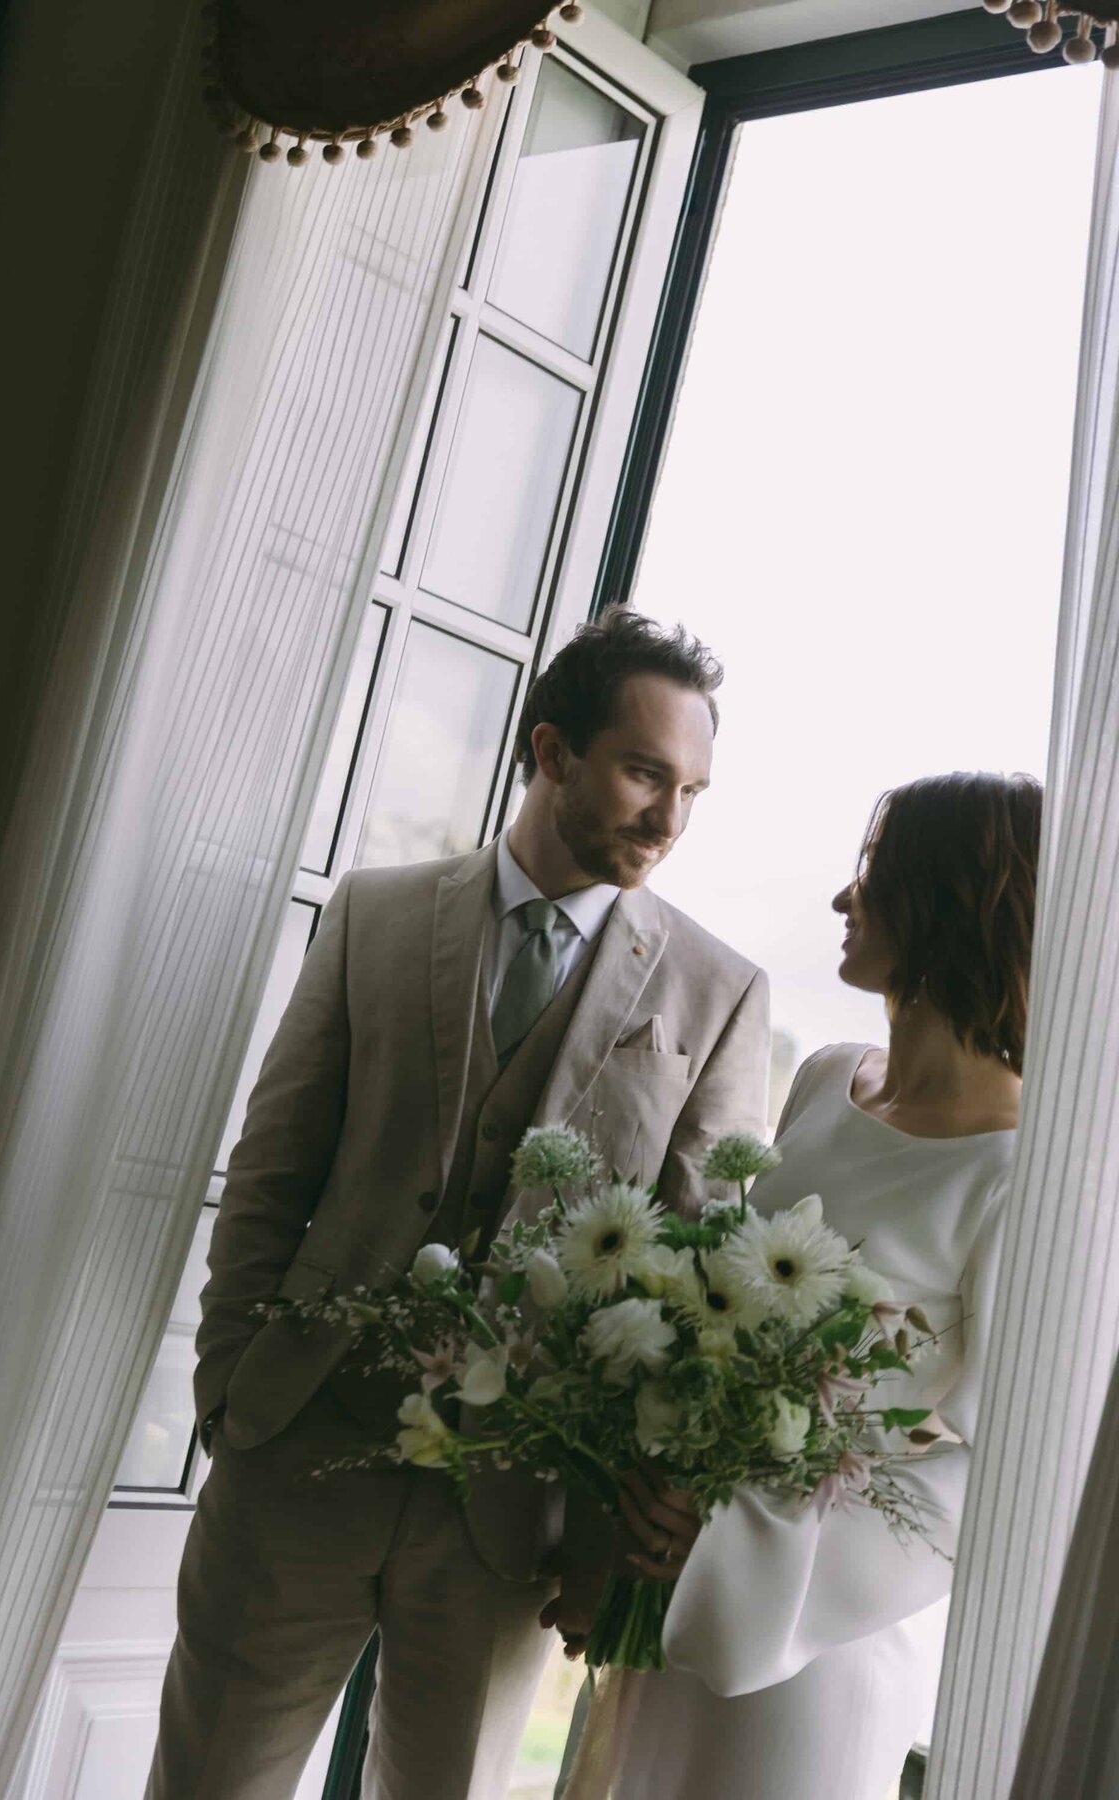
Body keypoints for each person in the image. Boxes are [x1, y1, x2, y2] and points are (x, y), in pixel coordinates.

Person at [145, 607, 771, 1800]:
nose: (669, 818)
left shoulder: (717, 992)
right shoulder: (377, 917)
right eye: (645, 773)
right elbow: (273, 1172)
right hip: (300, 1457)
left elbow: (695, 1296)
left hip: (510, 1516)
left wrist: (603, 1541)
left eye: (693, 789)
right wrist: (232, 1389)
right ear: (551, 751)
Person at [607, 770, 1041, 1800]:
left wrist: (734, 1540)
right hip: (666, 1593)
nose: (844, 901)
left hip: (806, 1635)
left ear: (944, 903)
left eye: (873, 876)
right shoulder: (824, 1078)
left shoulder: (1023, 1174)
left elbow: (992, 1471)